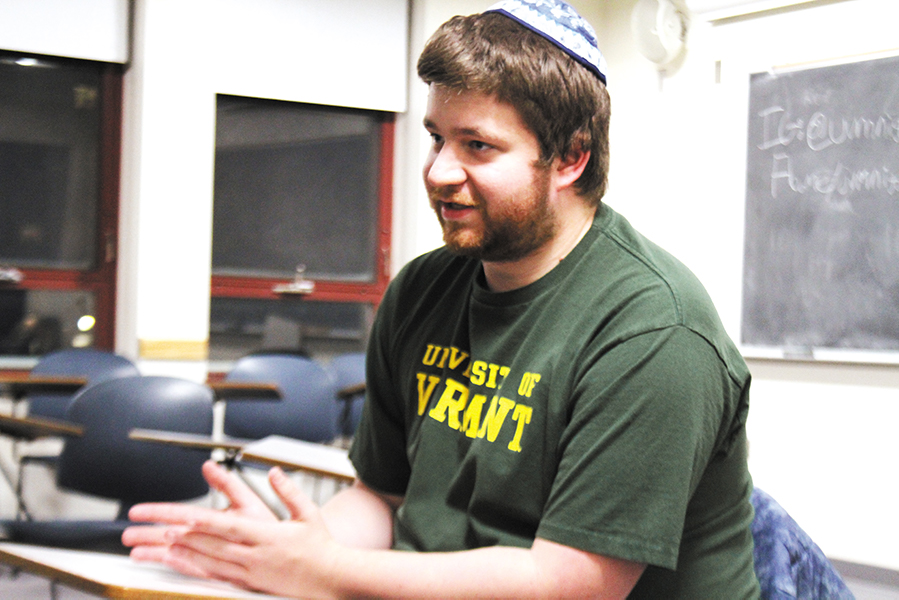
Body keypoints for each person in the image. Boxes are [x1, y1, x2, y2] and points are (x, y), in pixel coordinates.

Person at [123, 1, 761, 597]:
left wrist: (326, 570)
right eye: (436, 138)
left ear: (569, 159)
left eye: (477, 146)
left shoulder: (656, 332)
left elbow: (572, 582)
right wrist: (293, 547)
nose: (438, 172)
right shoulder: (423, 290)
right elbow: (382, 499)